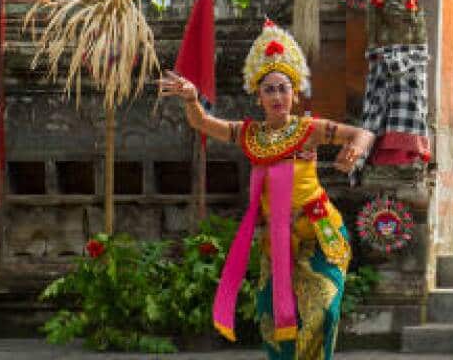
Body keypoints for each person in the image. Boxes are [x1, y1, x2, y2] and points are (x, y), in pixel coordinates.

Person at [159, 19, 374, 360]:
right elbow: (203, 124)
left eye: (283, 88)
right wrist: (190, 98)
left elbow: (362, 133)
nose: (277, 95)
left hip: (319, 232)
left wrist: (355, 151)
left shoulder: (309, 129)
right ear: (258, 97)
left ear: (294, 93)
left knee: (323, 312)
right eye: (269, 89)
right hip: (278, 242)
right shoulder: (248, 134)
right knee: (273, 322)